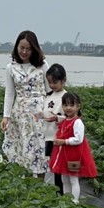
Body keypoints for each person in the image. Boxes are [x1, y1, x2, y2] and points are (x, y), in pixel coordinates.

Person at [0, 30, 49, 177]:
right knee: (22, 147)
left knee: (39, 148)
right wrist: (6, 116)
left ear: (34, 49)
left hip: (39, 113)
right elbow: (10, 93)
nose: (24, 52)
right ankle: (25, 184)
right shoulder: (11, 68)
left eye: (28, 48)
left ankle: (40, 185)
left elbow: (49, 89)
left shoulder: (42, 65)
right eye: (22, 48)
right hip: (20, 114)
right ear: (16, 47)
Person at [49, 92, 98, 203]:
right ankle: (67, 199)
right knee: (64, 179)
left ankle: (75, 201)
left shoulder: (78, 122)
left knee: (73, 179)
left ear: (78, 106)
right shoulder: (66, 120)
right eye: (65, 105)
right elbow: (60, 120)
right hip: (64, 154)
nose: (68, 108)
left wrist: (64, 141)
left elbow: (79, 139)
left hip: (73, 155)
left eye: (72, 105)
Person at [37, 63, 67, 193]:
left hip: (58, 138)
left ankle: (60, 193)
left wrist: (58, 118)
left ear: (63, 80)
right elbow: (45, 112)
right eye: (50, 82)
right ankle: (48, 192)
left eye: (55, 82)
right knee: (47, 164)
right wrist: (39, 115)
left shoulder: (66, 97)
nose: (52, 85)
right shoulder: (48, 96)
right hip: (47, 136)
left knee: (58, 168)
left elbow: (73, 118)